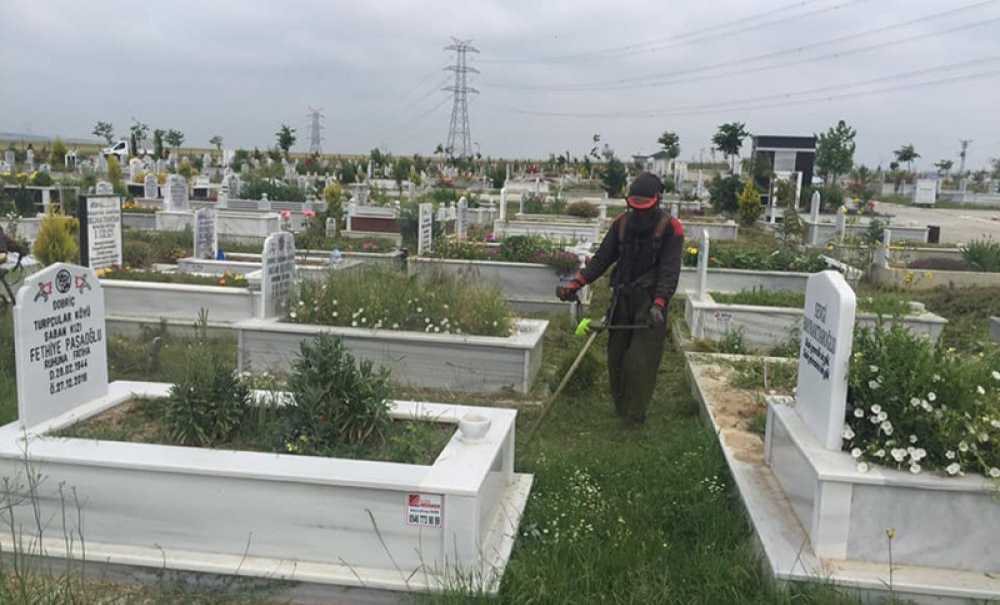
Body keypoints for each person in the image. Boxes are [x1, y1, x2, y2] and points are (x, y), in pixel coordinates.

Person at [557, 172, 683, 425]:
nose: (639, 213)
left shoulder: (671, 228)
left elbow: (669, 271)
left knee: (640, 360)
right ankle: (621, 406)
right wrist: (576, 283)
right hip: (622, 299)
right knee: (616, 356)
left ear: (657, 200)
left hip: (650, 302)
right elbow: (602, 259)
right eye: (635, 207)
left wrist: (659, 304)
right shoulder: (622, 224)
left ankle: (635, 415)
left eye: (645, 207)